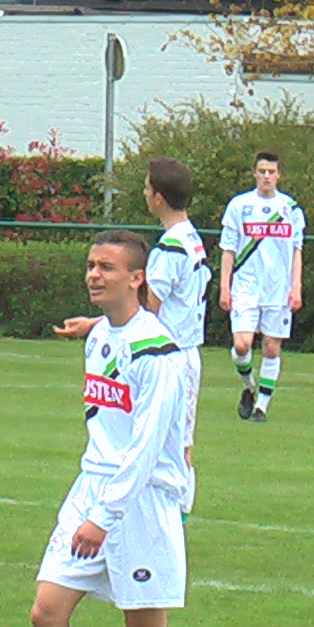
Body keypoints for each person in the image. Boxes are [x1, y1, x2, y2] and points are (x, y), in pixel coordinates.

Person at [20, 230, 190, 627]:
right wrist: (92, 326)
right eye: (92, 265)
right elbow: (114, 338)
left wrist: (104, 516)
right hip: (91, 487)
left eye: (108, 268)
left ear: (136, 278)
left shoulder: (159, 354)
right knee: (46, 613)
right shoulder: (102, 336)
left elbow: (146, 449)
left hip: (139, 502)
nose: (95, 275)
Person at [53, 157, 209, 513]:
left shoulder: (169, 248)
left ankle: (171, 523)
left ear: (158, 197)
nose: (144, 193)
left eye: (146, 187)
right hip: (184, 351)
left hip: (164, 354)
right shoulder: (191, 237)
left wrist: (93, 324)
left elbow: (147, 307)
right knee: (179, 445)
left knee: (169, 448)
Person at [217, 151, 304, 423]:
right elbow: (228, 249)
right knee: (242, 345)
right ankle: (249, 386)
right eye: (262, 171)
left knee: (271, 348)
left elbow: (297, 250)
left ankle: (261, 408)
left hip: (278, 288)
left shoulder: (291, 208)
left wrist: (296, 286)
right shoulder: (239, 205)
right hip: (246, 285)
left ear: (279, 175)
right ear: (254, 173)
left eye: (271, 172)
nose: (266, 176)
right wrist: (225, 287)